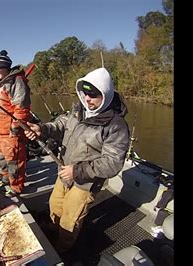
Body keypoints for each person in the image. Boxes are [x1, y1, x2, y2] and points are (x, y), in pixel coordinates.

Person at [24, 67, 130, 253]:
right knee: (55, 206)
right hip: (64, 172)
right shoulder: (78, 109)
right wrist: (43, 129)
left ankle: (63, 248)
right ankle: (53, 229)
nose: (88, 98)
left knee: (70, 220)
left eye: (93, 95)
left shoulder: (116, 125)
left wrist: (77, 171)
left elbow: (113, 163)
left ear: (105, 94)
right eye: (85, 93)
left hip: (85, 182)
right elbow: (62, 124)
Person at [0, 50, 31, 197]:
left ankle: (16, 189)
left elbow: (21, 107)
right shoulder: (2, 84)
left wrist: (14, 127)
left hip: (11, 133)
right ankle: (7, 179)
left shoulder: (15, 81)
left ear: (6, 68)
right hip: (0, 133)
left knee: (15, 163)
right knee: (2, 159)